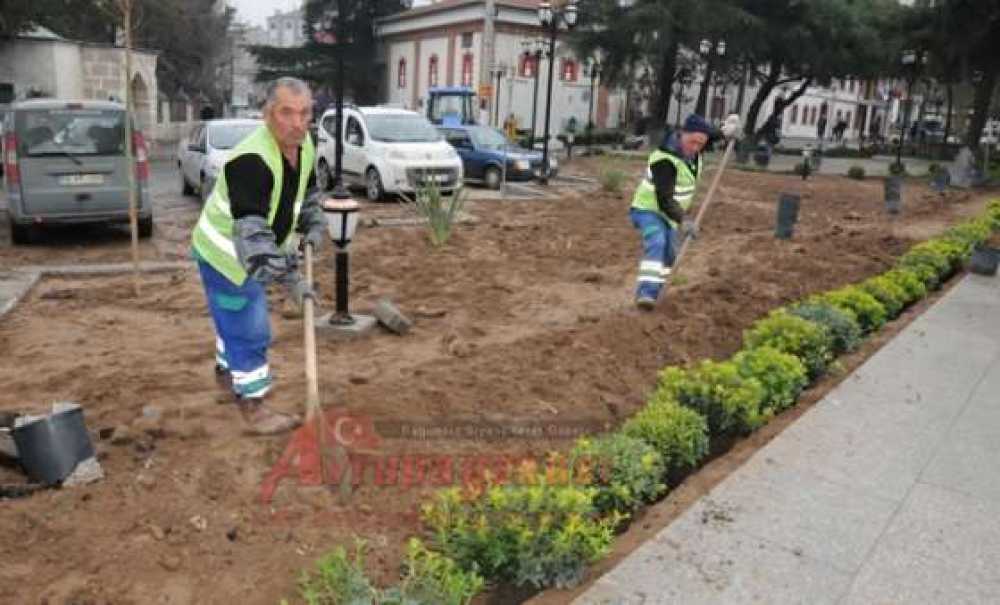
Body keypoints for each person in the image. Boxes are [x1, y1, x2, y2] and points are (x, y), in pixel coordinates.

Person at [190, 77, 328, 435]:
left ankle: (226, 372)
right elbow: (254, 244)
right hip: (226, 256)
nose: (298, 123)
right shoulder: (250, 161)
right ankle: (253, 404)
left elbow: (306, 192)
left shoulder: (304, 144)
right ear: (268, 114)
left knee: (232, 320)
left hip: (249, 251)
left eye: (305, 113)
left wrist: (314, 222)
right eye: (287, 113)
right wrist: (292, 281)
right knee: (251, 328)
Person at [629, 113, 739, 310]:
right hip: (648, 209)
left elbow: (709, 135)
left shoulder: (696, 146)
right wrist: (684, 220)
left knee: (670, 254)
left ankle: (659, 291)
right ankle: (646, 294)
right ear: (682, 135)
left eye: (700, 144)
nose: (695, 147)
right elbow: (664, 200)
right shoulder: (665, 159)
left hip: (670, 217)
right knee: (657, 242)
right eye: (692, 142)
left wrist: (727, 131)